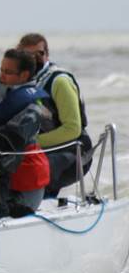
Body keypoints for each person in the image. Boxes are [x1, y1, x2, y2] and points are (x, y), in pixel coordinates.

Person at [0, 49, 50, 215]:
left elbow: (9, 141)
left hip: (21, 187)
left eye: (8, 72)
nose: (2, 75)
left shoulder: (32, 108)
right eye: (1, 70)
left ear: (24, 75)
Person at [17, 32, 91, 196]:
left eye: (40, 53)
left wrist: (32, 143)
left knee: (31, 173)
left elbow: (72, 129)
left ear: (47, 54)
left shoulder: (59, 81)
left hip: (74, 150)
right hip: (36, 150)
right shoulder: (20, 81)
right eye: (29, 55)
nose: (35, 58)